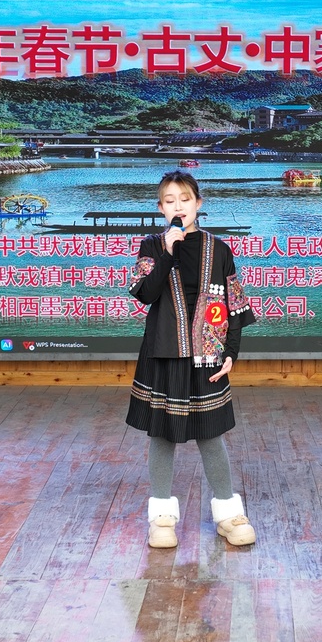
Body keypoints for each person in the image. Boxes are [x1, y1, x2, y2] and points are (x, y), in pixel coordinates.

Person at [127, 170, 256, 549]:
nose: (178, 206)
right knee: (162, 435)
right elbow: (145, 293)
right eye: (170, 201)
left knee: (210, 434)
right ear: (160, 208)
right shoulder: (152, 246)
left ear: (198, 203)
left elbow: (234, 305)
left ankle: (228, 515)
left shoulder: (219, 249)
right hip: (163, 352)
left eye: (185, 199)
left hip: (208, 355)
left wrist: (231, 352)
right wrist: (169, 252)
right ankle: (161, 519)